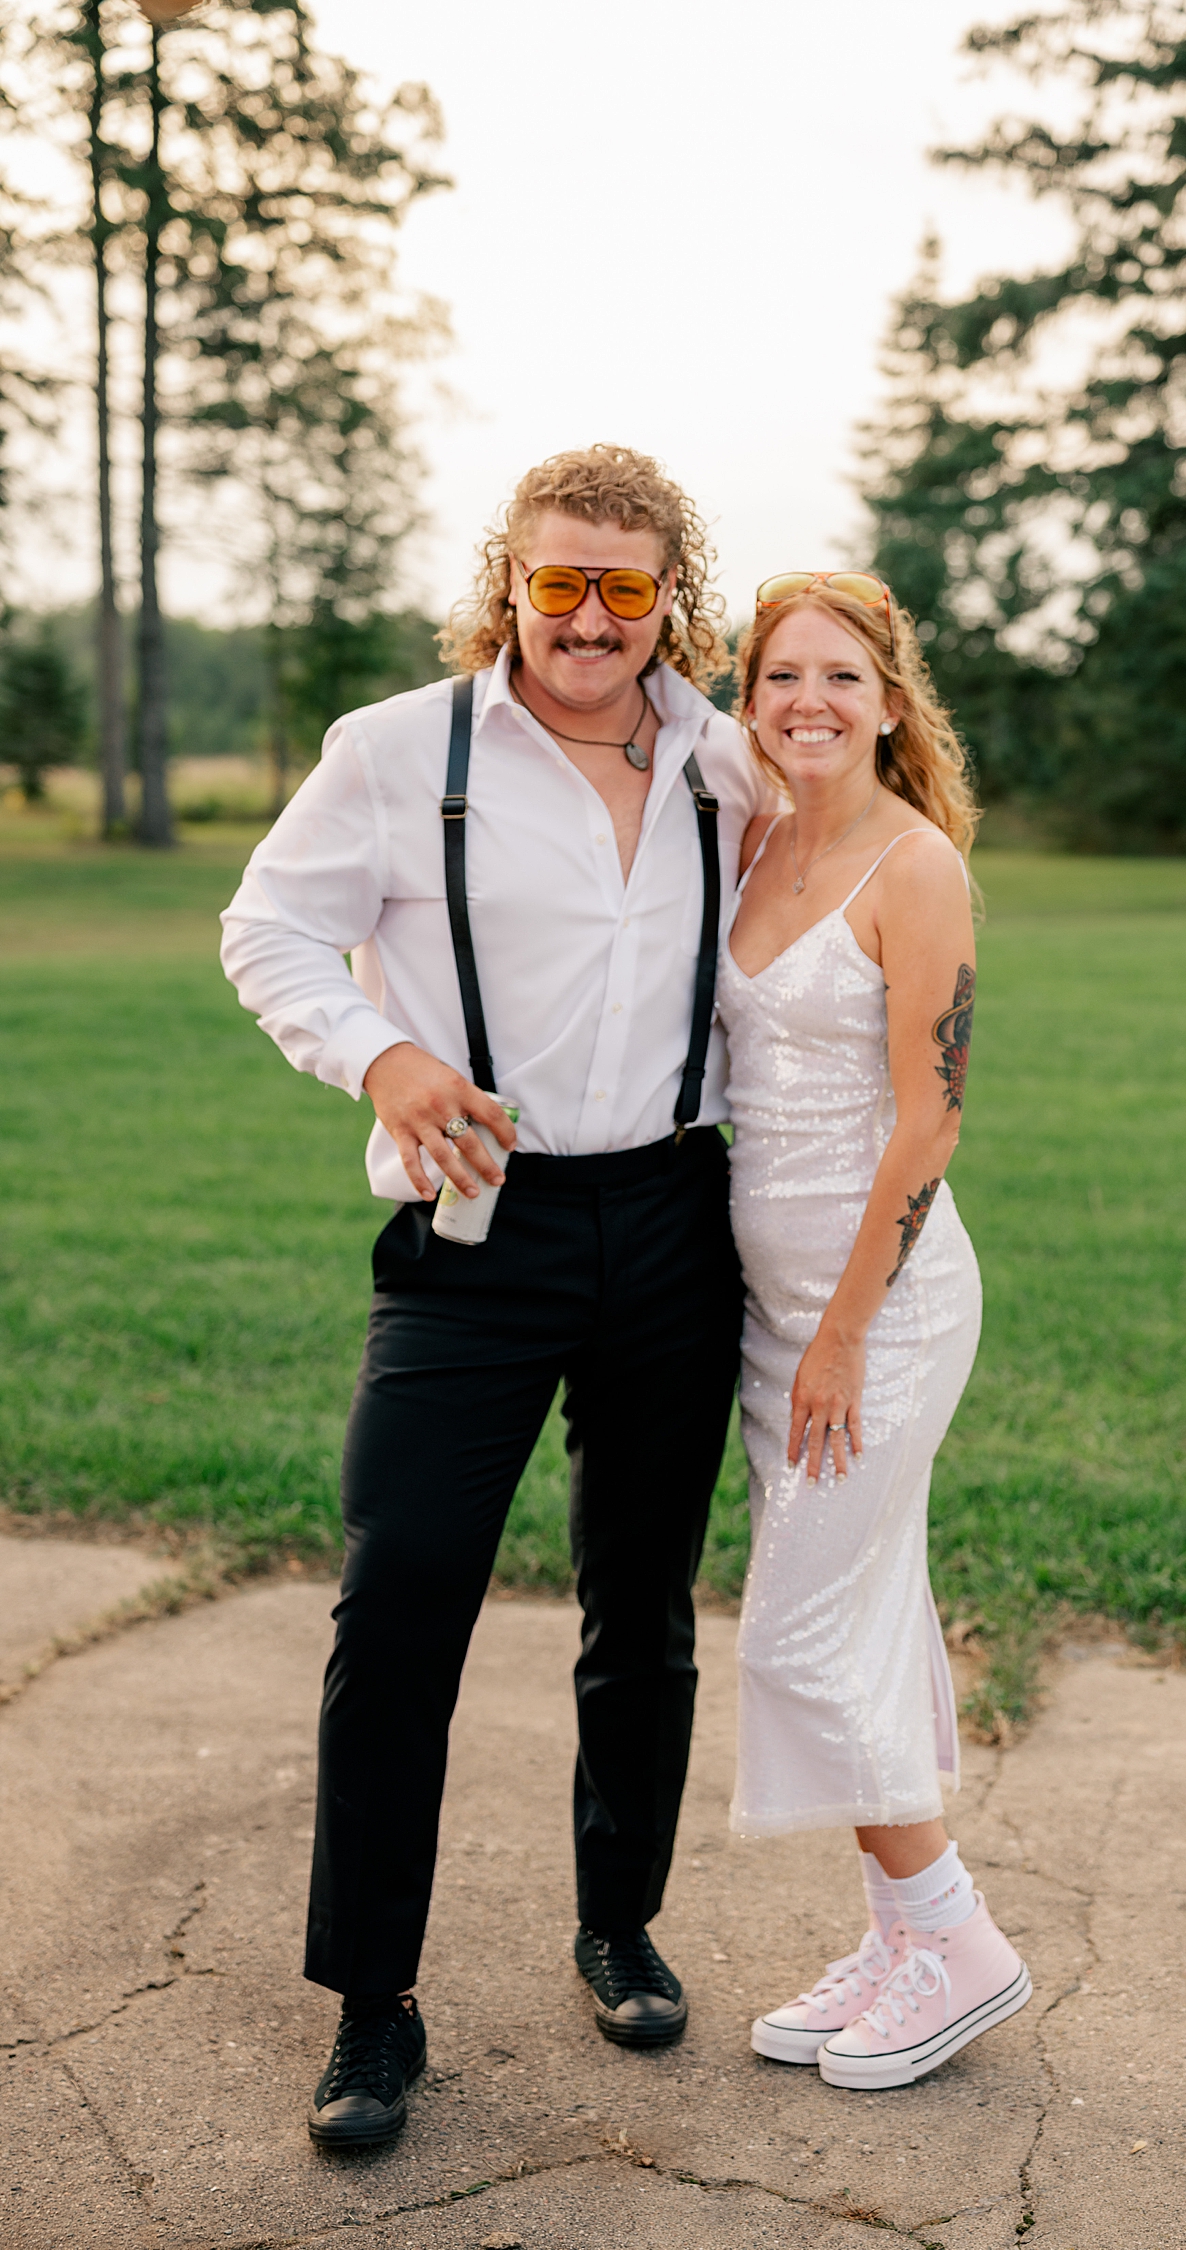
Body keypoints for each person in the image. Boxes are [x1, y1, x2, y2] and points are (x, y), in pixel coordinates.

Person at [220, 445, 772, 2147]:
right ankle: (372, 2005)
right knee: (399, 1608)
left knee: (644, 1605)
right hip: (477, 1229)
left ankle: (619, 1922)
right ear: (510, 583)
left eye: (625, 586)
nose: (590, 619)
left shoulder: (727, 760)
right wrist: (378, 1052)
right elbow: (267, 932)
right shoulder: (398, 753)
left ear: (670, 593)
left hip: (678, 1217)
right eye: (559, 582)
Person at [716, 573, 1031, 2090]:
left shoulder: (915, 868)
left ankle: (956, 1937)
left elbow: (931, 1124)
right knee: (867, 1615)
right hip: (772, 1308)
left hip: (881, 1311)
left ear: (891, 701)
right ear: (752, 694)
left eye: (842, 676)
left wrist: (843, 1330)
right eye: (782, 675)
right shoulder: (759, 835)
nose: (810, 702)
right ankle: (897, 1943)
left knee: (797, 1629)